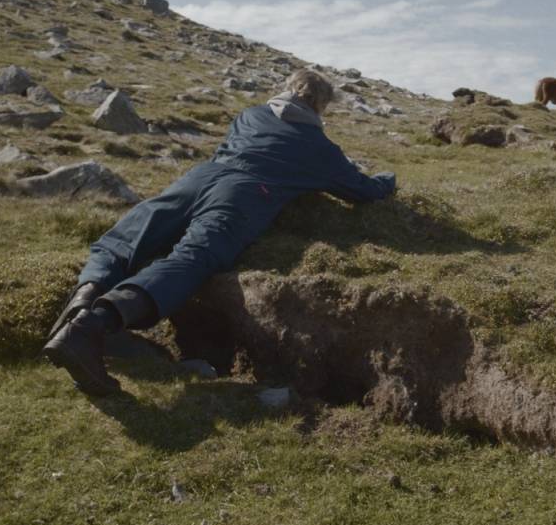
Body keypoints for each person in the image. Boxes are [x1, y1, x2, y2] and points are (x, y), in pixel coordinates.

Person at [43, 69, 396, 395]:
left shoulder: (251, 115)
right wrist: (388, 181)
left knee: (127, 238)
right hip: (242, 196)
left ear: (287, 89)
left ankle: (79, 308)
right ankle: (93, 328)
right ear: (321, 105)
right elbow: (362, 190)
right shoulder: (319, 147)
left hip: (197, 179)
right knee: (194, 258)